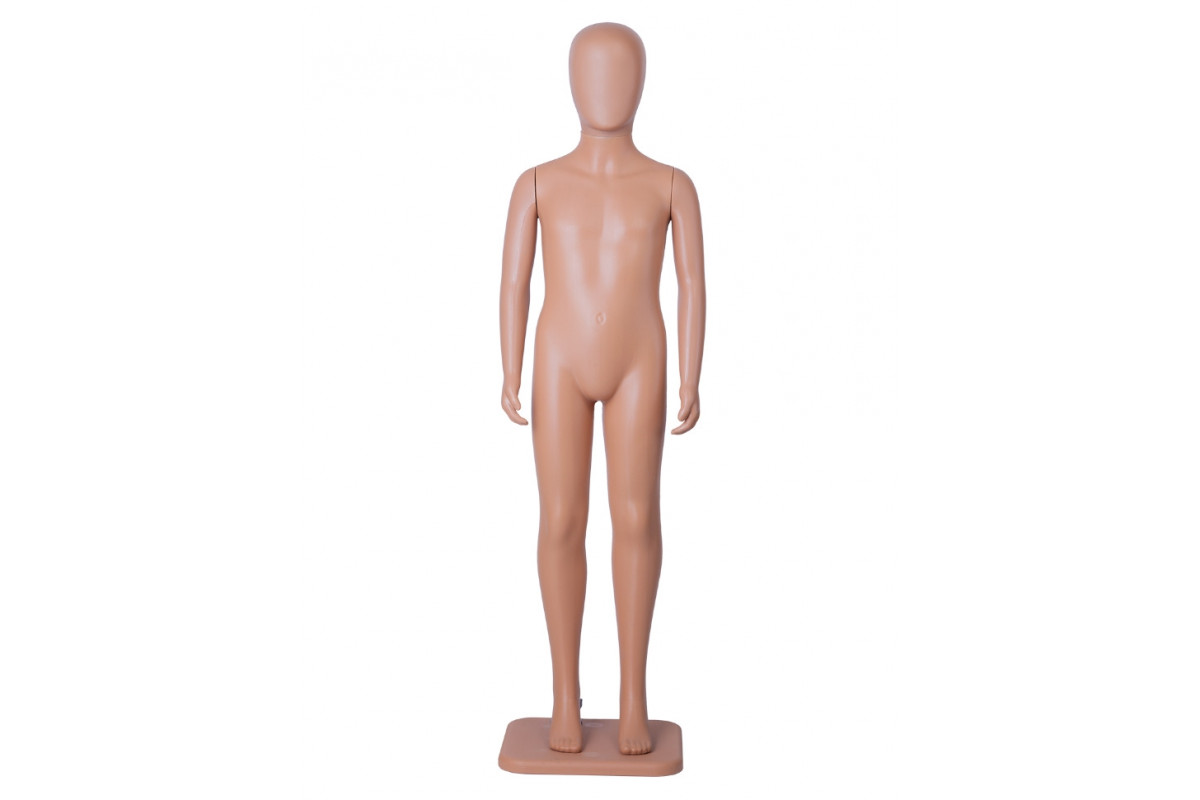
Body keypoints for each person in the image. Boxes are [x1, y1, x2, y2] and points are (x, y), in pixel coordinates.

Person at [499, 21, 706, 756]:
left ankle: (632, 698)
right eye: (593, 72)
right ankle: (564, 695)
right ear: (572, 83)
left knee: (637, 520)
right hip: (559, 359)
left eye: (620, 73)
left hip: (638, 360)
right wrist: (509, 366)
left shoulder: (672, 185)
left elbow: (692, 284)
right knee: (560, 520)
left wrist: (691, 372)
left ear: (641, 84)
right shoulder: (537, 182)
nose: (606, 88)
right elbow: (514, 282)